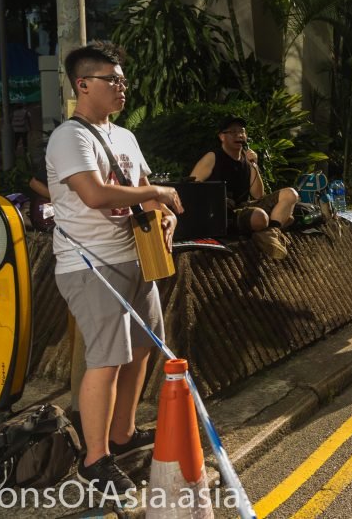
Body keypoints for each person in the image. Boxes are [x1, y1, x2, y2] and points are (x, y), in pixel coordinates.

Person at [46, 42, 184, 499]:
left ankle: (123, 435)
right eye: (113, 80)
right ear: (83, 84)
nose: (123, 87)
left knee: (142, 349)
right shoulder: (70, 136)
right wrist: (159, 193)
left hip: (136, 258)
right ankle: (95, 459)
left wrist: (164, 215)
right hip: (90, 264)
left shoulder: (125, 136)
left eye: (123, 79)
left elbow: (141, 191)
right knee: (106, 360)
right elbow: (95, 194)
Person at [190, 116, 298, 260]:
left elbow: (258, 195)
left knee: (291, 194)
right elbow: (191, 187)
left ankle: (270, 232)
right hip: (225, 214)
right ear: (222, 137)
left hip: (245, 208)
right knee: (262, 217)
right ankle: (267, 228)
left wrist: (254, 165)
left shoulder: (247, 160)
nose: (239, 135)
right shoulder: (213, 157)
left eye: (242, 132)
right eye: (233, 132)